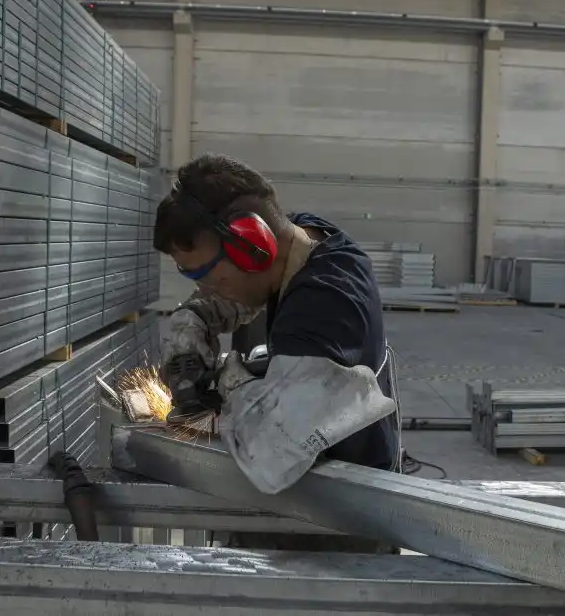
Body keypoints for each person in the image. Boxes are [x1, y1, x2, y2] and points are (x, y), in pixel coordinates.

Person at [153, 152, 402, 552]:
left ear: (255, 247)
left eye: (208, 275)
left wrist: (224, 377)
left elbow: (273, 455)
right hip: (307, 497)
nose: (207, 287)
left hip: (339, 523)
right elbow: (243, 293)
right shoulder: (302, 239)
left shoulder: (326, 303)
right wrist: (196, 316)